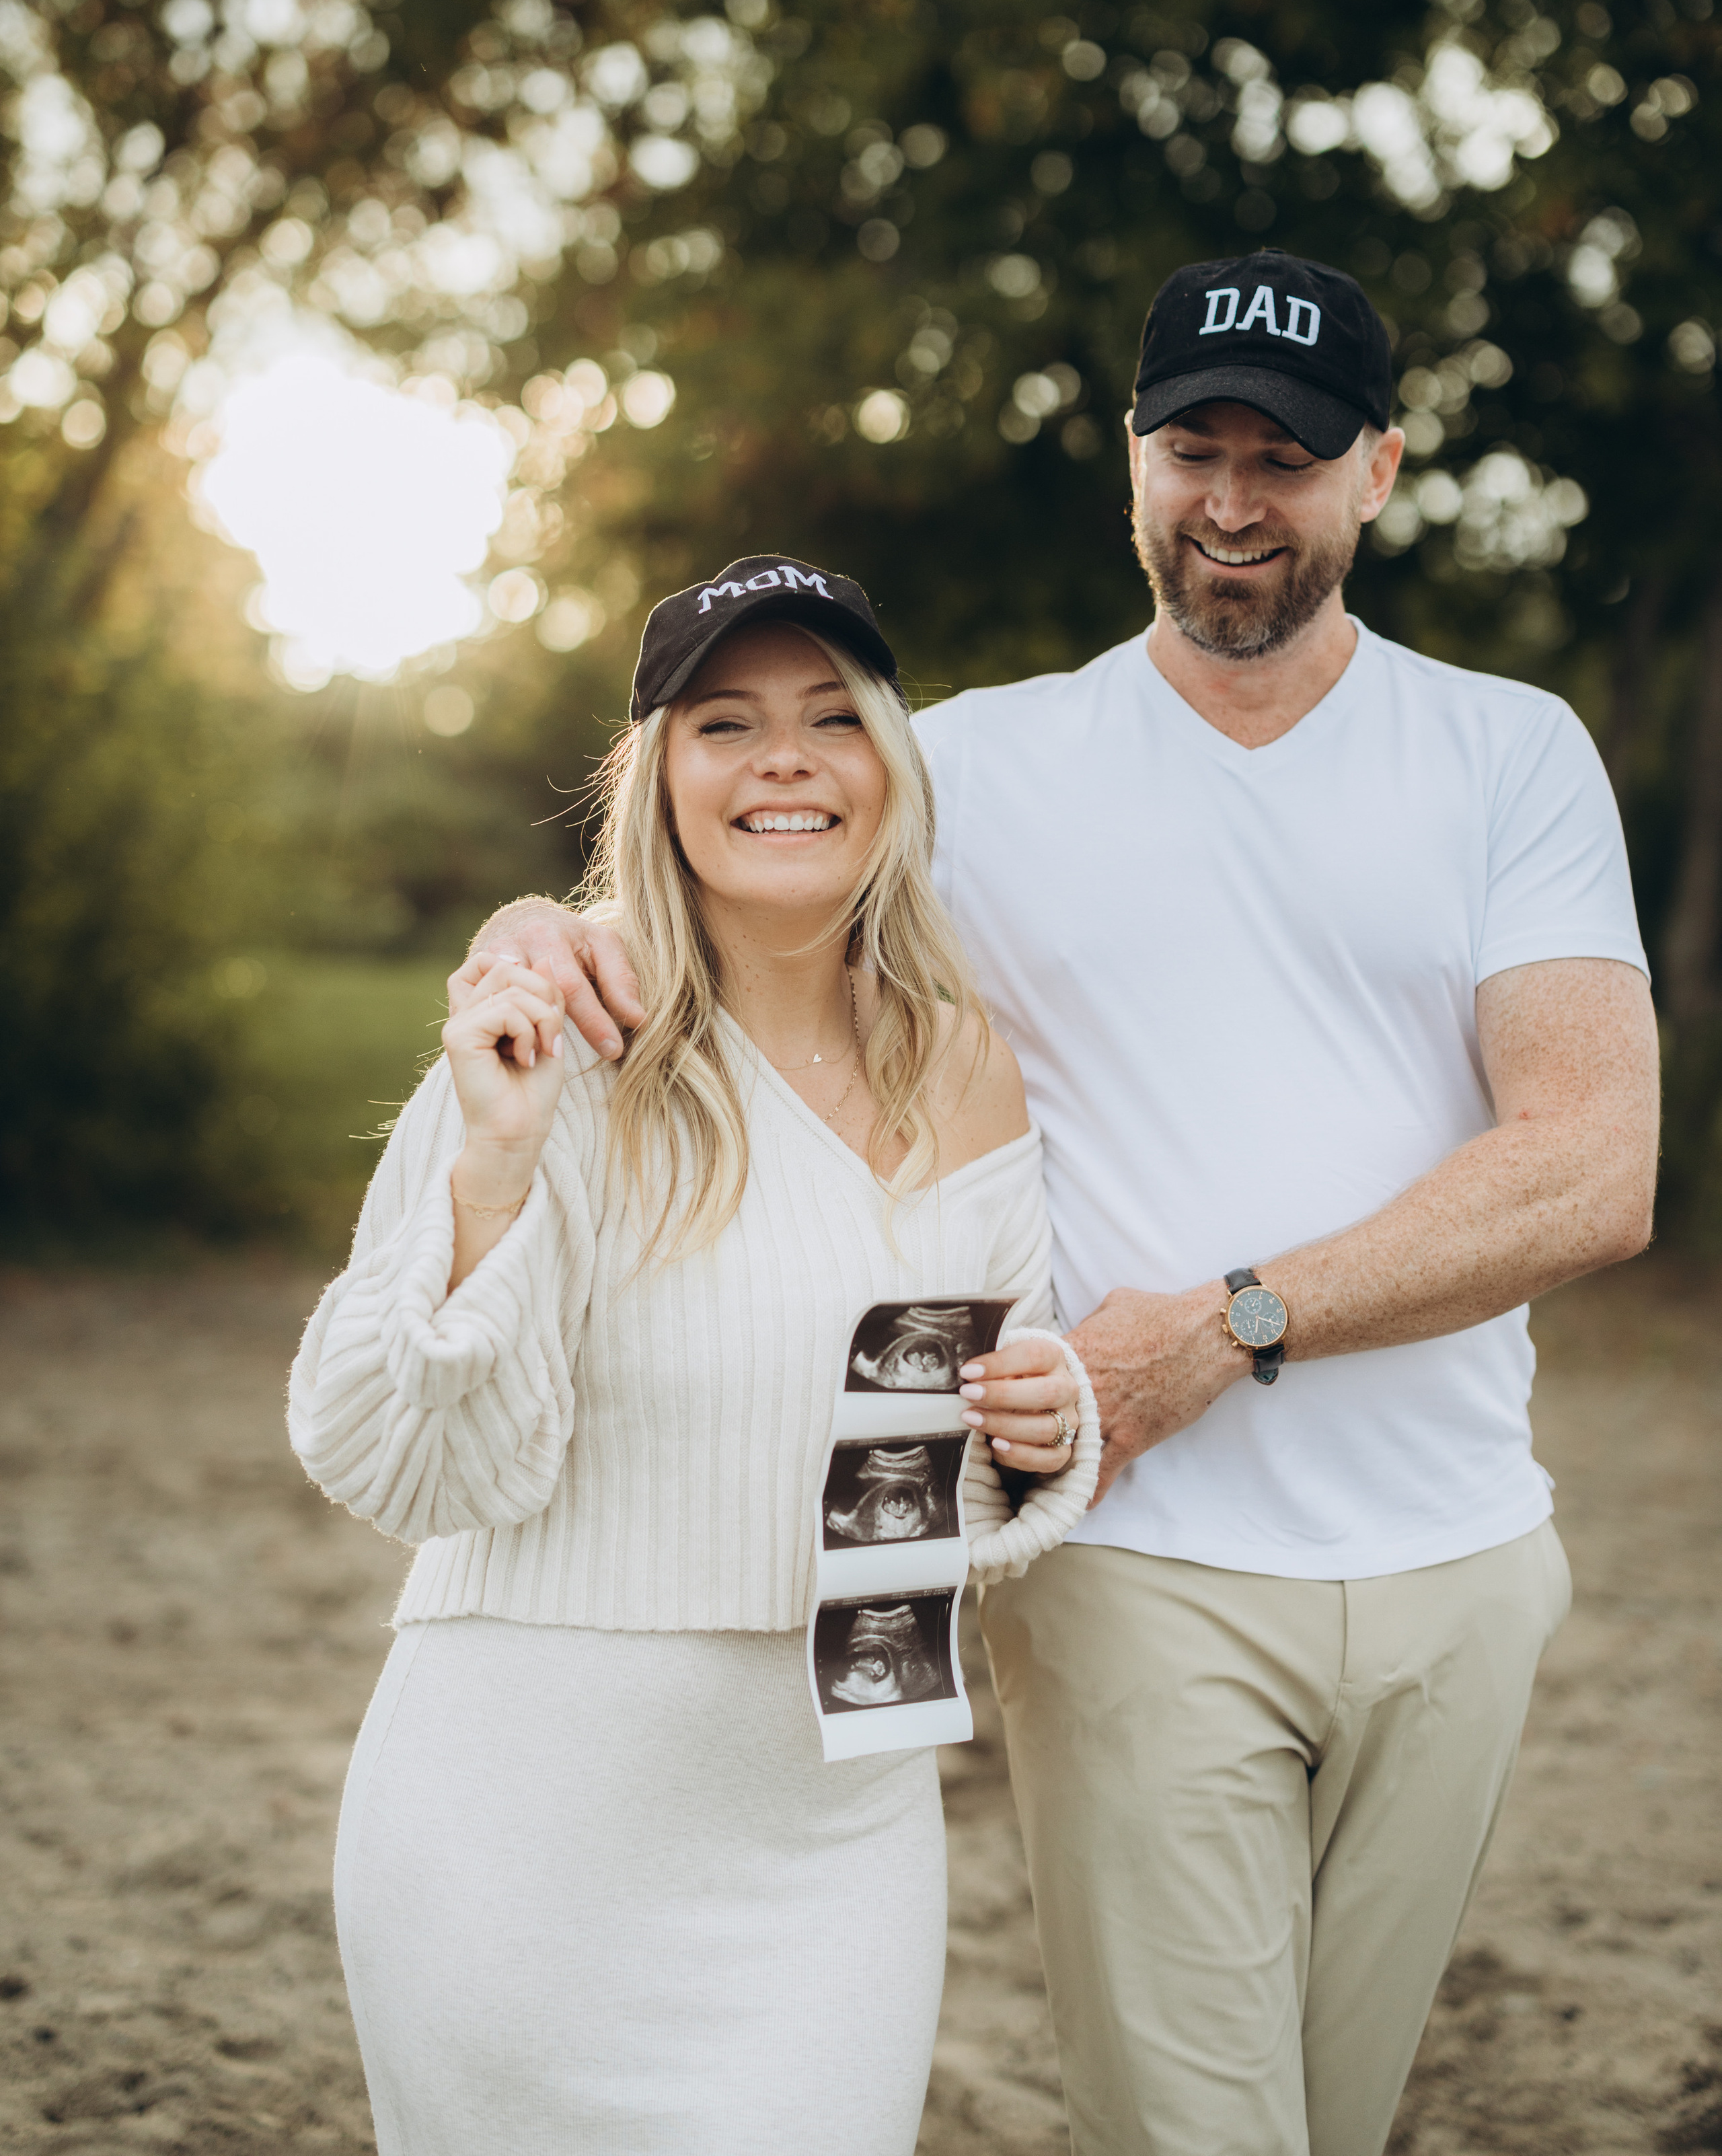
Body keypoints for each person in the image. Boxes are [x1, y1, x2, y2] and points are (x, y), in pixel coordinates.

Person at [476, 250, 1660, 2156]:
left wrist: (1224, 1325)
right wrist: (545, 929)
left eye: (1286, 458)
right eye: (1192, 451)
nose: (1230, 502)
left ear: (1379, 470)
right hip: (1131, 1564)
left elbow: (1592, 1166)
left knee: (1329, 2122)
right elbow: (726, 899)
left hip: (1464, 1564)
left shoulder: (1506, 752)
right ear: (1131, 462)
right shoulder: (976, 768)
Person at [288, 561, 1098, 2156]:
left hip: (837, 1832)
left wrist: (1039, 1429)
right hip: (522, 1829)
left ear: (889, 762)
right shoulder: (552, 1041)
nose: (783, 758)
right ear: (658, 779)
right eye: (724, 723)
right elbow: (401, 1466)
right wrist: (491, 1172)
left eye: (829, 717)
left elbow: (955, 1453)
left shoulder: (966, 1064)